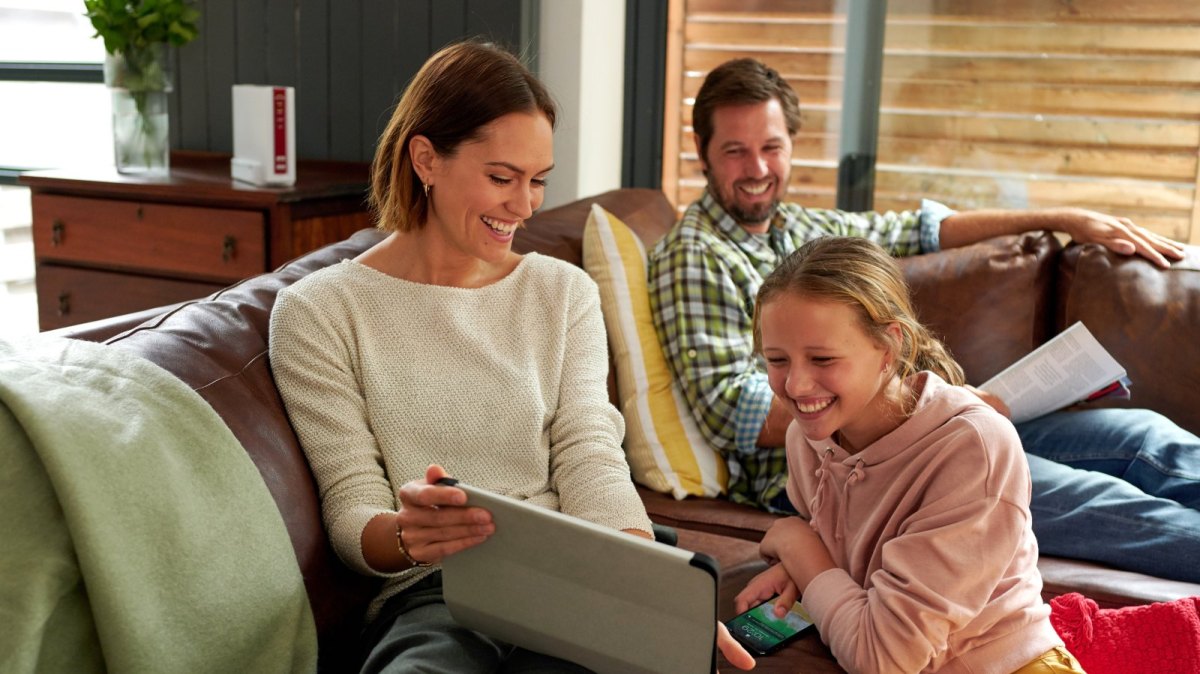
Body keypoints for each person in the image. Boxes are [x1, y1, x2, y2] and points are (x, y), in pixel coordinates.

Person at [649, 56, 1200, 582]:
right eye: (735, 152)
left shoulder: (798, 226)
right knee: (1104, 504)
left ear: (792, 143)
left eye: (771, 147)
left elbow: (921, 230)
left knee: (1143, 437)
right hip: (843, 466)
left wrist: (1065, 218)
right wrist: (908, 405)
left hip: (922, 417)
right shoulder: (694, 255)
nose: (758, 170)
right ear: (702, 152)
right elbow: (734, 414)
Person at [268, 41, 659, 673]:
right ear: (426, 159)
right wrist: (407, 534)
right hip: (435, 596)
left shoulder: (563, 294)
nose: (524, 206)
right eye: (502, 178)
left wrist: (642, 581)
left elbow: (590, 452)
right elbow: (351, 506)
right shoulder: (319, 312)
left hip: (571, 576)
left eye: (538, 182)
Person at [733, 235, 1083, 673]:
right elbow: (851, 557)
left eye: (822, 359)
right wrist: (801, 569)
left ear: (889, 347)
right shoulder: (809, 435)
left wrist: (796, 543)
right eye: (777, 360)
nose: (797, 386)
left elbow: (882, 660)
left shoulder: (973, 447)